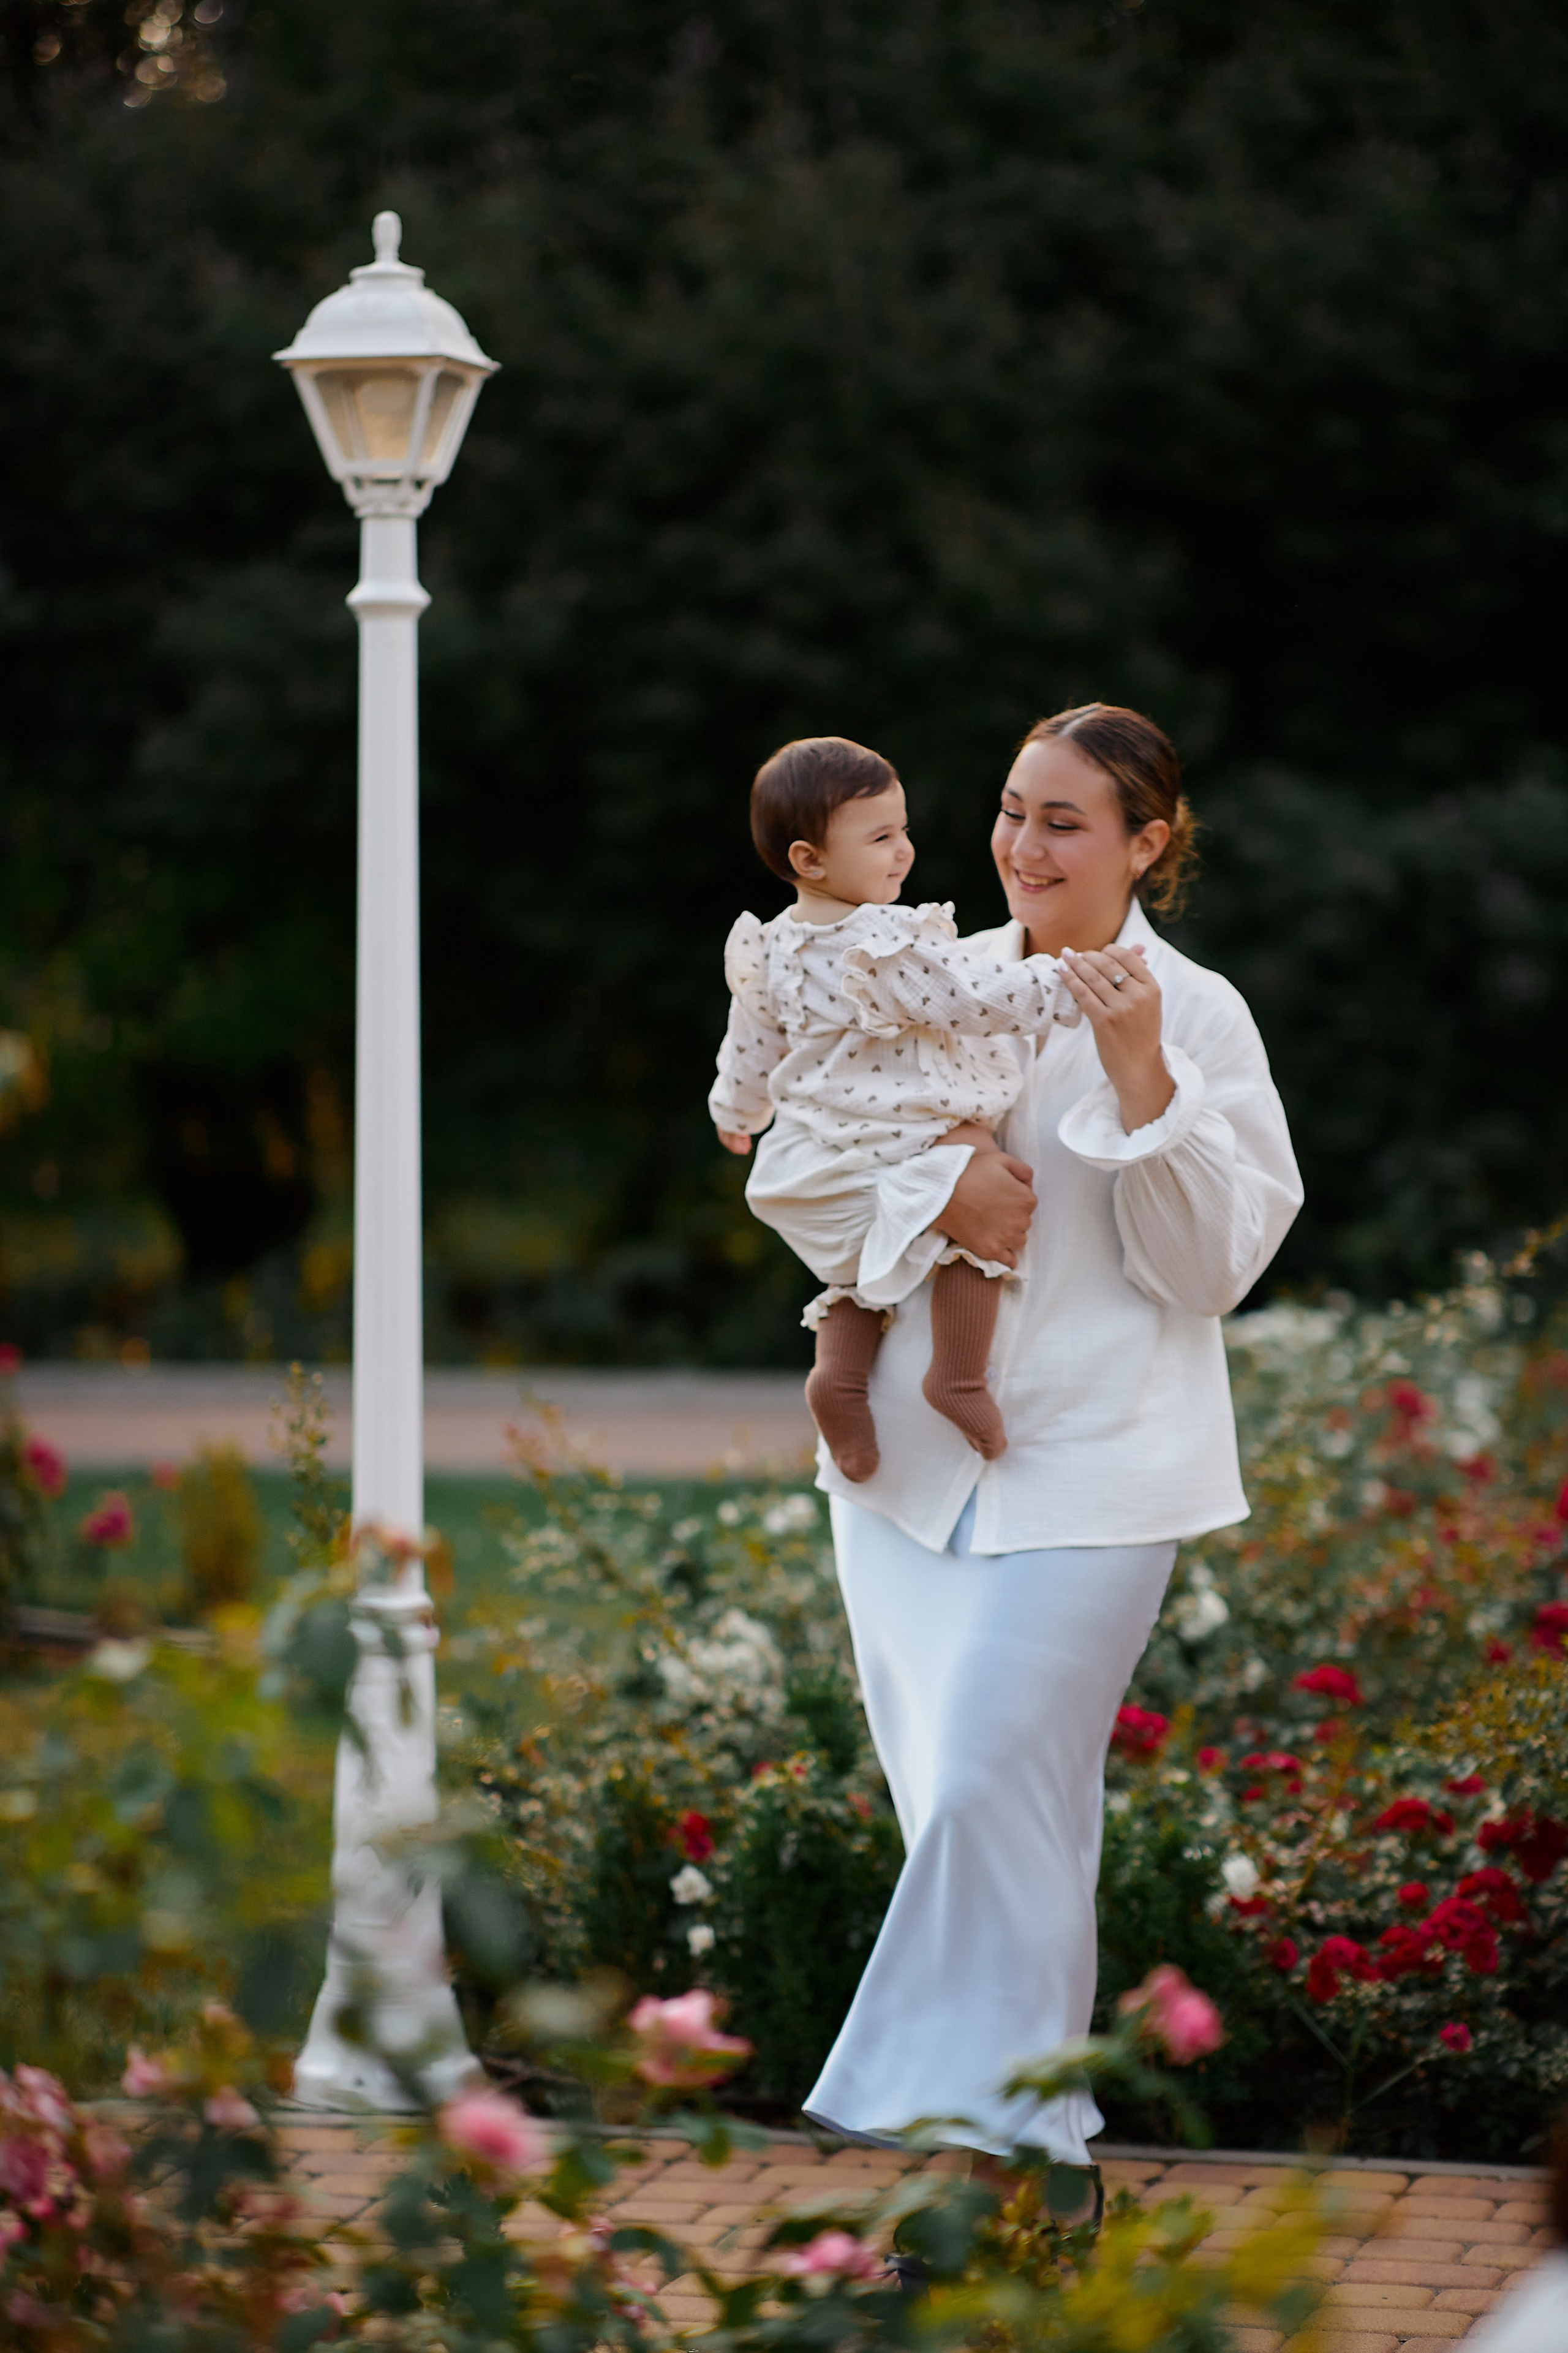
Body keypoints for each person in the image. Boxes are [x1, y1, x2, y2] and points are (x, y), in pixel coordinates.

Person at [788, 704, 1303, 2189]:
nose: (1021, 843)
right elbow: (794, 1181)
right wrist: (932, 1193)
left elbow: (1208, 1272)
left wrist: (1143, 1080)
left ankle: (917, 2113)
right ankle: (1029, 2171)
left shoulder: (1199, 1015)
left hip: (1099, 1473)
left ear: (1146, 843)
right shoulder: (919, 977)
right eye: (1012, 809)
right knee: (1001, 1823)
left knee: (979, 1789)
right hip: (897, 1475)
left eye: (1062, 820)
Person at [709, 735, 1079, 1480]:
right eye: (880, 837)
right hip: (910, 1139)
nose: (904, 850)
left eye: (902, 830)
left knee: (855, 1274)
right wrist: (1069, 984)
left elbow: (750, 1046)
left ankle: (837, 1379)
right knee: (986, 1208)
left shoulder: (770, 949)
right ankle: (958, 1377)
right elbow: (978, 998)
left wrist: (736, 1111)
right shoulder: (884, 946)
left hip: (823, 1149)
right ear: (810, 859)